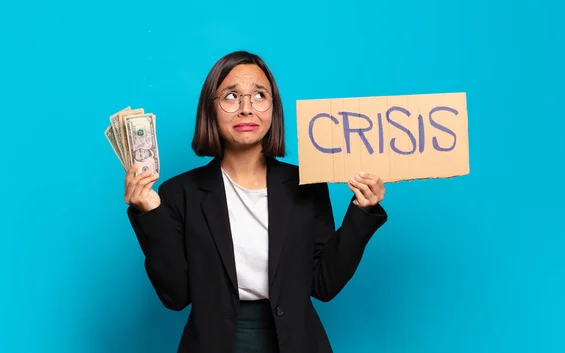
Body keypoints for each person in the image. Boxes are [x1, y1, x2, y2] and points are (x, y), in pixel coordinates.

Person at [124, 50, 388, 353]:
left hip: (295, 342)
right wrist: (149, 214)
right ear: (210, 109)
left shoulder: (308, 185)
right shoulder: (179, 193)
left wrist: (362, 212)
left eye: (259, 95)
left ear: (273, 109)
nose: (246, 109)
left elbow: (324, 285)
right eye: (231, 96)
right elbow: (175, 296)